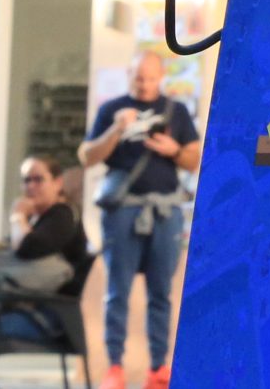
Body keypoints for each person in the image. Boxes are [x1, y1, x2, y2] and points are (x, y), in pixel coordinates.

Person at [77, 52, 199, 389]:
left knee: (161, 293)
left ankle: (158, 368)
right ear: (129, 75)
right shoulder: (112, 109)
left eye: (150, 78)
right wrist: (117, 128)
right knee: (117, 291)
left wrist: (174, 150)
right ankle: (114, 367)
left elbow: (194, 161)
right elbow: (87, 157)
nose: (144, 85)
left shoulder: (176, 111)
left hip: (165, 212)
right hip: (122, 211)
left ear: (162, 76)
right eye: (138, 78)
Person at [0, 154, 92, 387]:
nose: (31, 186)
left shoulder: (62, 214)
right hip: (29, 307)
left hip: (49, 317)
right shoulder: (40, 219)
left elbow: (28, 248)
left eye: (38, 179)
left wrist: (18, 215)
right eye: (26, 180)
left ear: (58, 182)